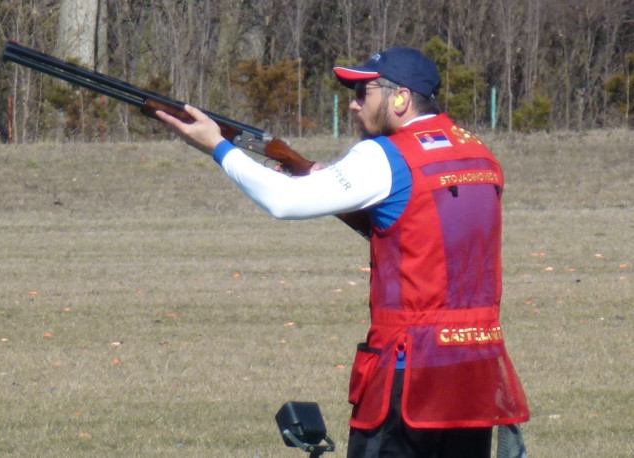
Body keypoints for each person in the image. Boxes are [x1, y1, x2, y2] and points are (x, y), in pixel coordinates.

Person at [155, 46, 529, 458]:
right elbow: (417, 233)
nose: (353, 104)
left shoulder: (383, 154)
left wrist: (218, 147)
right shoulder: (479, 153)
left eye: (363, 93)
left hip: (406, 372)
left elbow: (283, 201)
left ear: (401, 98)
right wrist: (321, 178)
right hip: (472, 373)